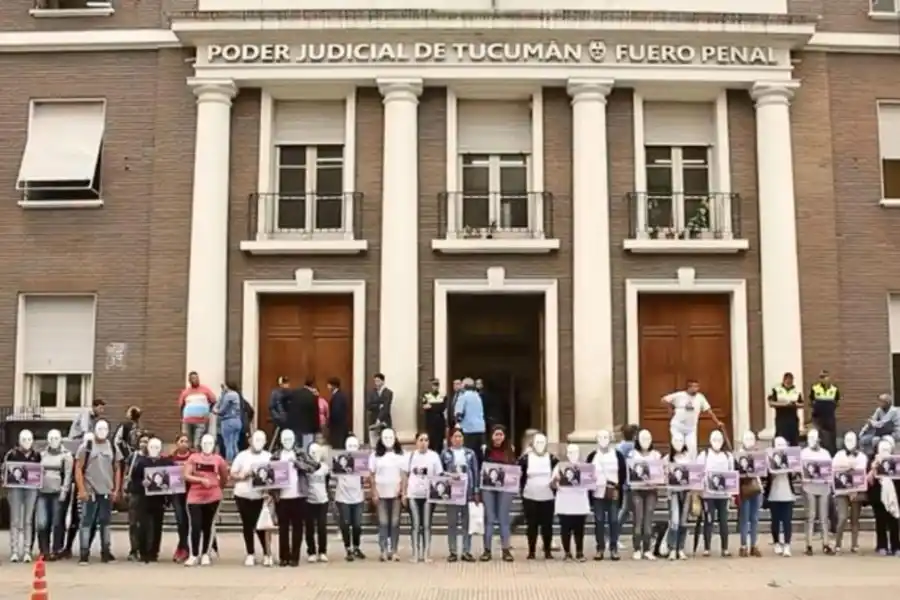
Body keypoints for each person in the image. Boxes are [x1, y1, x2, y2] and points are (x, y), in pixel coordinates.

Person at [74, 420, 123, 565]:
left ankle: (106, 552)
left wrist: (116, 489)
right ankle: (84, 554)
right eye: (99, 429)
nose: (102, 431)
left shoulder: (113, 447)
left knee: (105, 523)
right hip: (90, 491)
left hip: (107, 491)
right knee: (86, 522)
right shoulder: (86, 447)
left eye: (105, 429)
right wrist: (81, 489)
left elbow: (117, 468)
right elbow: (78, 468)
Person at [183, 434, 228, 566]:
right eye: (204, 443)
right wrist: (200, 480)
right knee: (195, 525)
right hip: (195, 496)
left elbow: (225, 476)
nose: (207, 446)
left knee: (209, 525)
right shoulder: (193, 458)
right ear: (200, 444)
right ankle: (194, 554)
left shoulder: (218, 459)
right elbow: (186, 475)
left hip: (213, 496)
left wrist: (218, 487)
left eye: (210, 443)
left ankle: (205, 554)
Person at [273, 429, 315, 567]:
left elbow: (313, 466)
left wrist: (298, 463)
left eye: (290, 439)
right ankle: (283, 556)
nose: (287, 442)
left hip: (298, 495)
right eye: (285, 440)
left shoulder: (300, 453)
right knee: (283, 528)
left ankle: (295, 556)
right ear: (281, 441)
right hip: (282, 497)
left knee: (298, 527)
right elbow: (268, 474)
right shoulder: (276, 456)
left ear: (294, 440)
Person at [231, 430, 273, 566]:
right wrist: (244, 475)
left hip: (261, 496)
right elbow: (233, 474)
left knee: (263, 526)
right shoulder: (242, 456)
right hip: (243, 495)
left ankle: (267, 553)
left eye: (261, 440)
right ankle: (250, 553)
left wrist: (270, 492)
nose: (258, 443)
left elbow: (274, 477)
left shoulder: (269, 457)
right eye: (256, 440)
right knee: (247, 525)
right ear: (250, 441)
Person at [440, 427, 479, 562]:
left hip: (467, 492)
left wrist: (476, 491)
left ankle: (466, 550)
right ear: (451, 439)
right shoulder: (445, 454)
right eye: (455, 436)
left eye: (460, 436)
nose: (458, 439)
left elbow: (475, 471)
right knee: (452, 523)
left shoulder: (470, 453)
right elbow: (441, 472)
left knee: (466, 523)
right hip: (452, 492)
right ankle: (453, 551)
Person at [586, 429, 625, 561]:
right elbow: (587, 474)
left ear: (610, 439)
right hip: (597, 493)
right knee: (599, 521)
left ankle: (613, 548)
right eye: (601, 437)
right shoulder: (592, 456)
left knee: (614, 520)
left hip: (613, 491)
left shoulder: (617, 455)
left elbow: (623, 473)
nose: (604, 440)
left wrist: (618, 486)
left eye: (606, 437)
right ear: (597, 440)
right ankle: (600, 548)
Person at [132, 437, 172, 563]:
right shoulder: (141, 462)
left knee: (157, 526)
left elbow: (172, 479)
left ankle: (154, 552)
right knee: (143, 525)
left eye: (157, 447)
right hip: (144, 498)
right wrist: (141, 483)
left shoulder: (166, 462)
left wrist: (168, 497)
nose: (154, 450)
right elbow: (135, 479)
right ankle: (143, 551)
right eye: (152, 447)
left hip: (159, 499)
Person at [480, 425, 516, 562]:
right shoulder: (485, 450)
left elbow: (514, 468)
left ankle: (506, 550)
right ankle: (487, 550)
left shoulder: (510, 450)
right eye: (496, 434)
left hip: (505, 488)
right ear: (491, 436)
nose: (498, 437)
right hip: (488, 488)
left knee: (503, 519)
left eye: (501, 434)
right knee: (489, 518)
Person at [518, 432, 557, 560]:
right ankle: (531, 551)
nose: (540, 445)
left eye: (542, 442)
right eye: (537, 442)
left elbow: (557, 475)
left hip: (548, 496)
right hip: (530, 495)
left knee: (547, 525)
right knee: (531, 525)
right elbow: (520, 476)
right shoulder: (525, 459)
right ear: (532, 444)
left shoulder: (552, 459)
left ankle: (547, 550)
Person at [405, 432, 443, 563]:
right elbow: (405, 475)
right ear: (416, 442)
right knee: (415, 524)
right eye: (421, 440)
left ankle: (426, 553)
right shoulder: (410, 456)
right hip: (413, 494)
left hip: (428, 495)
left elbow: (439, 475)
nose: (423, 442)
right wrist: (404, 493)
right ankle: (415, 553)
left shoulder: (434, 456)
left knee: (426, 524)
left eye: (426, 440)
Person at [369, 427, 406, 561]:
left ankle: (394, 550)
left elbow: (403, 474)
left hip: (396, 493)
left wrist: (404, 491)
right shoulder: (375, 456)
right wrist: (373, 492)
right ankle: (383, 549)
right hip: (381, 492)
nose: (388, 440)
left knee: (395, 522)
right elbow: (372, 475)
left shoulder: (401, 455)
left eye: (391, 437)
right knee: (383, 522)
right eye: (386, 437)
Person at [36, 428, 73, 561]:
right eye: (51, 438)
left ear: (60, 439)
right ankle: (44, 550)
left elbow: (68, 475)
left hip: (57, 492)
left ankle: (56, 549)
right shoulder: (42, 455)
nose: (53, 441)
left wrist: (64, 491)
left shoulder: (66, 455)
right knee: (42, 522)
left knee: (57, 522)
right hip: (42, 493)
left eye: (56, 438)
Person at [5, 429, 41, 562]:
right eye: (24, 440)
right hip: (15, 489)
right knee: (15, 519)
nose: (27, 443)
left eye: (29, 440)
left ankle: (27, 550)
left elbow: (39, 472)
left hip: (31, 489)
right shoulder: (12, 454)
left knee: (28, 520)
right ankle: (14, 550)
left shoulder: (37, 455)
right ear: (19, 441)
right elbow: (5, 470)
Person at [663, 380, 723, 458]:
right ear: (689, 387)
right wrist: (670, 409)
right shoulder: (680, 395)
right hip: (677, 426)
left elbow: (709, 411)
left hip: (691, 429)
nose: (696, 389)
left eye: (697, 387)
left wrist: (717, 422)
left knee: (692, 449)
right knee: (678, 445)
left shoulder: (700, 397)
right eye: (694, 387)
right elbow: (664, 400)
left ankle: (692, 467)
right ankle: (675, 465)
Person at [698, 429, 732, 557]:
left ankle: (725, 548)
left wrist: (732, 493)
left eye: (719, 440)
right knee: (709, 520)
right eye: (714, 440)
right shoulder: (704, 455)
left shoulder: (728, 456)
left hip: (723, 495)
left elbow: (732, 474)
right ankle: (707, 547)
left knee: (723, 520)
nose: (717, 442)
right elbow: (698, 472)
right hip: (708, 495)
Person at [552, 444, 589, 561]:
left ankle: (579, 552)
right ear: (567, 454)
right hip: (565, 502)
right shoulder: (559, 467)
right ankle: (567, 552)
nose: (573, 455)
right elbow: (552, 484)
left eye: (575, 452)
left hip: (579, 502)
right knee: (565, 529)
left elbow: (592, 483)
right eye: (571, 452)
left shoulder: (585, 467)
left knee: (579, 529)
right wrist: (555, 480)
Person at [628, 429, 661, 560]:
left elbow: (660, 472)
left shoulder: (656, 455)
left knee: (648, 519)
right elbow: (629, 472)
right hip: (637, 490)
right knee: (638, 518)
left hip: (651, 490)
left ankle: (647, 548)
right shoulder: (632, 454)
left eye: (648, 439)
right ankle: (636, 548)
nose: (645, 442)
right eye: (642, 439)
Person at [800, 428, 833, 555]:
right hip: (809, 487)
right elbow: (800, 469)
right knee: (811, 515)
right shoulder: (804, 453)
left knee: (824, 516)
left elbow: (830, 469)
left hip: (823, 487)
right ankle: (808, 544)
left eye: (814, 438)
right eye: (810, 438)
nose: (812, 441)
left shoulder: (825, 453)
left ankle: (826, 543)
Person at [832, 430, 866, 553]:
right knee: (842, 517)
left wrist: (856, 490)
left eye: (852, 440)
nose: (849, 443)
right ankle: (838, 543)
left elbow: (861, 475)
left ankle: (854, 544)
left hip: (856, 492)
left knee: (855, 519)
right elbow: (835, 471)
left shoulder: (862, 457)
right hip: (842, 492)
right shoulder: (838, 455)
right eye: (847, 440)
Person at [335, 435, 366, 562]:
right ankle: (348, 548)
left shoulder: (362, 461)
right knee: (346, 524)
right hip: (343, 497)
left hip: (357, 496)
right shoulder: (339, 459)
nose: (352, 449)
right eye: (350, 446)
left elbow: (365, 477)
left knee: (357, 524)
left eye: (354, 446)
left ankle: (357, 547)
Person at [662, 432, 691, 561]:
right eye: (676, 441)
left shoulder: (688, 458)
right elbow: (663, 477)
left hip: (686, 492)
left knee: (684, 521)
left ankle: (681, 548)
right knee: (674, 520)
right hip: (673, 493)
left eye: (681, 441)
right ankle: (672, 548)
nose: (678, 444)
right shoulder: (667, 459)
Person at [765, 436, 796, 557]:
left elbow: (794, 475)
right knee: (775, 520)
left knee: (787, 520)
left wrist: (793, 470)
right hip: (774, 493)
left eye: (783, 445)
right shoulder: (769, 459)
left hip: (787, 493)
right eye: (778, 445)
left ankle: (787, 545)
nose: (781, 448)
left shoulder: (791, 458)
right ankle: (777, 542)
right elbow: (765, 476)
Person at [868, 437, 900, 555]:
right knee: (880, 521)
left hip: (894, 496)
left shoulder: (896, 461)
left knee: (894, 520)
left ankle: (896, 546)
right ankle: (882, 545)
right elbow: (869, 481)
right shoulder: (872, 462)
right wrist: (873, 468)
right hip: (878, 496)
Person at [124, 433, 151, 561]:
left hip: (150, 496)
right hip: (135, 493)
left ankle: (146, 550)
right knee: (134, 523)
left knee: (147, 524)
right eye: (142, 441)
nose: (144, 444)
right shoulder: (133, 456)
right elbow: (127, 473)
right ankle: (134, 550)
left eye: (146, 441)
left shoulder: (154, 457)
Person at [737, 431, 763, 557]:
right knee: (744, 518)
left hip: (756, 488)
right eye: (746, 438)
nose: (749, 441)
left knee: (754, 518)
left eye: (751, 438)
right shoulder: (738, 455)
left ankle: (754, 545)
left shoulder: (759, 454)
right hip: (744, 488)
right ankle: (743, 545)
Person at [169, 434, 193, 562]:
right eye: (181, 441)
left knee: (189, 521)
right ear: (176, 443)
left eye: (186, 441)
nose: (184, 443)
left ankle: (185, 547)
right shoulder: (171, 458)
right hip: (176, 494)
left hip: (191, 493)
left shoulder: (193, 457)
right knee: (180, 521)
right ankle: (183, 546)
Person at [305, 443, 330, 562]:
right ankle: (311, 551)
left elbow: (327, 482)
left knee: (322, 527)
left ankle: (322, 551)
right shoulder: (305, 467)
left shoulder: (325, 468)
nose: (314, 455)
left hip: (322, 500)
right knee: (309, 527)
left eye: (316, 452)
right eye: (312, 452)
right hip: (309, 500)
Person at [179, 372, 217, 449]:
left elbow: (213, 401)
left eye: (197, 378)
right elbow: (181, 405)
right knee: (187, 442)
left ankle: (197, 458)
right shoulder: (185, 392)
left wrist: (208, 411)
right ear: (189, 380)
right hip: (187, 421)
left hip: (201, 421)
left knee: (197, 443)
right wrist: (182, 417)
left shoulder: (205, 390)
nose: (195, 380)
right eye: (193, 378)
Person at [453, 378, 486, 466]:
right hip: (480, 429)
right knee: (478, 456)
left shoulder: (463, 396)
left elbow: (458, 413)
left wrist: (457, 424)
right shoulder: (478, 396)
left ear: (464, 386)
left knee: (468, 456)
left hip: (468, 429)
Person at [616, 424, 639, 545]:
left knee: (625, 511)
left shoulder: (619, 447)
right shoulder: (633, 447)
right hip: (632, 484)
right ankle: (613, 536)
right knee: (627, 511)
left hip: (624, 483)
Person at [809, 370, 841, 453]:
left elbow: (837, 402)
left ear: (829, 377)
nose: (823, 379)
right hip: (818, 418)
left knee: (831, 438)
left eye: (825, 377)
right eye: (821, 377)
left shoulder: (834, 389)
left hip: (830, 417)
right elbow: (811, 402)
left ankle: (832, 454)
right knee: (820, 437)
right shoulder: (815, 388)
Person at [768, 372, 803, 446]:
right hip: (781, 418)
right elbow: (771, 403)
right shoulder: (776, 389)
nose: (789, 382)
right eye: (788, 381)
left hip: (793, 418)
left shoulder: (796, 391)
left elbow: (802, 404)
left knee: (794, 440)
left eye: (791, 381)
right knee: (780, 439)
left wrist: (795, 404)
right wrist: (784, 404)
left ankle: (793, 456)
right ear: (784, 380)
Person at [286, 378, 320, 451]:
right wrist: (317, 428)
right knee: (307, 449)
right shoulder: (312, 396)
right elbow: (315, 413)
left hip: (295, 426)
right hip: (308, 428)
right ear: (313, 386)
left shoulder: (295, 393)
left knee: (295, 448)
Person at [215, 382, 244, 462]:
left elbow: (221, 410)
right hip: (237, 421)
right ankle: (237, 462)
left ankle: (229, 463)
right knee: (235, 444)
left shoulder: (228, 395)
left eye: (223, 387)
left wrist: (215, 411)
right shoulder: (237, 395)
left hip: (228, 421)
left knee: (228, 445)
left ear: (227, 386)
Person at [367, 373, 393, 448]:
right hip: (373, 419)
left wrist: (379, 419)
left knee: (385, 441)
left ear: (383, 381)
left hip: (384, 419)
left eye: (378, 381)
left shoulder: (388, 393)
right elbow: (369, 405)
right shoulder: (372, 392)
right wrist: (378, 405)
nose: (376, 383)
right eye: (375, 381)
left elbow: (386, 407)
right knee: (374, 442)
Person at [421, 379, 447, 454]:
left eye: (437, 385)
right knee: (430, 440)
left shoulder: (443, 395)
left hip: (440, 421)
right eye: (433, 385)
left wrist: (431, 406)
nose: (435, 387)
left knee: (439, 442)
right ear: (431, 386)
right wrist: (437, 407)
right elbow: (425, 407)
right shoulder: (426, 395)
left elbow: (443, 407)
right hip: (430, 421)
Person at [327, 378, 350, 449]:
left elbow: (336, 412)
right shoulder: (339, 395)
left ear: (334, 386)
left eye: (329, 385)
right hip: (339, 426)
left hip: (338, 427)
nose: (328, 387)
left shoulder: (338, 396)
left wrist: (329, 422)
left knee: (338, 446)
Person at [268, 376, 292, 445]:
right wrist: (277, 417)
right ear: (280, 384)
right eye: (284, 383)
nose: (286, 385)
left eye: (287, 383)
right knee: (277, 439)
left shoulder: (291, 393)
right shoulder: (275, 393)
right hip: (278, 422)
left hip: (289, 421)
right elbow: (271, 407)